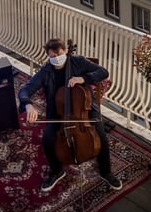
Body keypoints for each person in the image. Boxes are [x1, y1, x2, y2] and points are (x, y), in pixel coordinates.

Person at [18, 37, 123, 192]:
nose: (55, 59)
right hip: (59, 111)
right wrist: (27, 104)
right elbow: (25, 89)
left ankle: (106, 171)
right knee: (48, 138)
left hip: (84, 108)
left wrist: (83, 78)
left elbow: (103, 72)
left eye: (58, 54)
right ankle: (56, 171)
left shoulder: (78, 61)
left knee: (100, 135)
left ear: (65, 51)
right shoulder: (46, 71)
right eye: (52, 56)